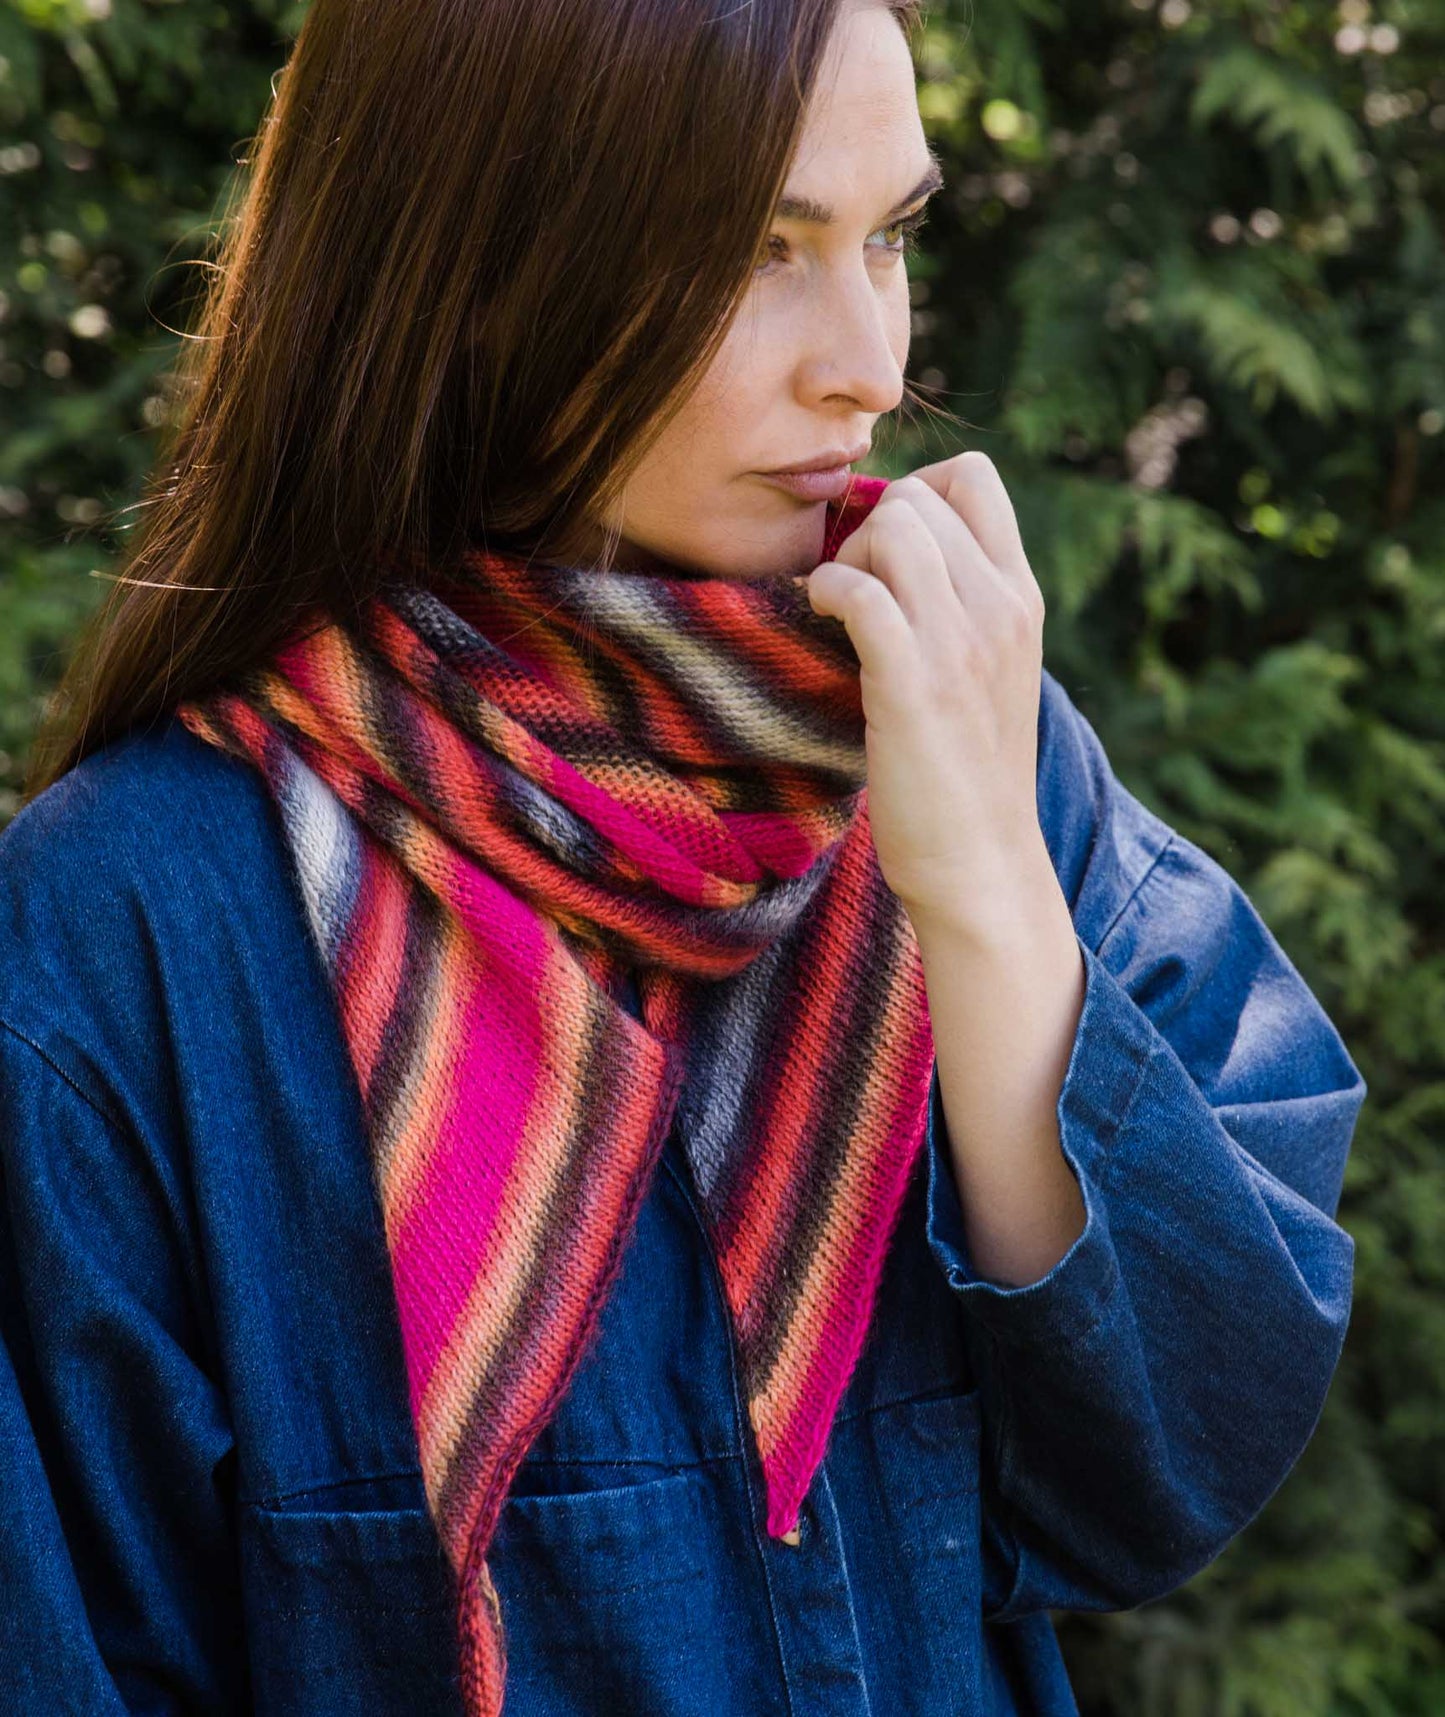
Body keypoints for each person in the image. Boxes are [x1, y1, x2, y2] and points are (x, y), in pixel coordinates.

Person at [0, 0, 1364, 1712]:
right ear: (474, 272)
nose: (869, 364)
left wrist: (990, 901)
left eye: (887, 237)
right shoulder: (121, 935)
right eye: (756, 251)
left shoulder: (957, 740)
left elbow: (1179, 1450)